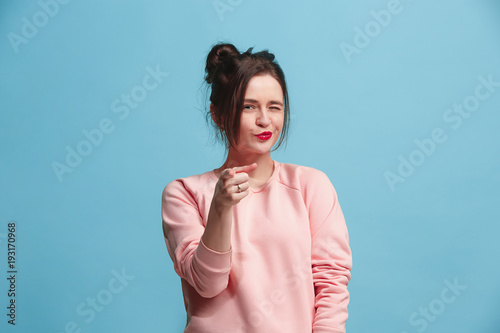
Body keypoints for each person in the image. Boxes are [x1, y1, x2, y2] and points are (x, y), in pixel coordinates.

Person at [161, 42, 352, 333]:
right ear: (218, 114)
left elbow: (331, 283)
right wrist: (221, 208)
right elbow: (207, 284)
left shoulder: (311, 186)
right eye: (249, 106)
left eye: (274, 107)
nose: (265, 120)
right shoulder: (183, 193)